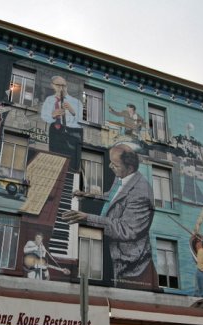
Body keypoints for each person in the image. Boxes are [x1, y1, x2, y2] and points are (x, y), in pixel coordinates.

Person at [62, 144, 157, 290]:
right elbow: (113, 197)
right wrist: (89, 195)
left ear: (130, 167)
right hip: (114, 251)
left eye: (115, 164)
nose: (110, 166)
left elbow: (126, 229)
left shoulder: (141, 193)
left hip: (131, 270)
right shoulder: (123, 176)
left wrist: (87, 218)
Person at [41, 75, 83, 171]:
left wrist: (72, 111)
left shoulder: (76, 102)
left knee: (71, 161)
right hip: (55, 130)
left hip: (72, 133)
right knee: (55, 157)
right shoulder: (49, 100)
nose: (61, 88)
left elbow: (81, 121)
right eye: (58, 85)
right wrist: (52, 115)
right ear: (52, 86)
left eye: (64, 85)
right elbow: (44, 116)